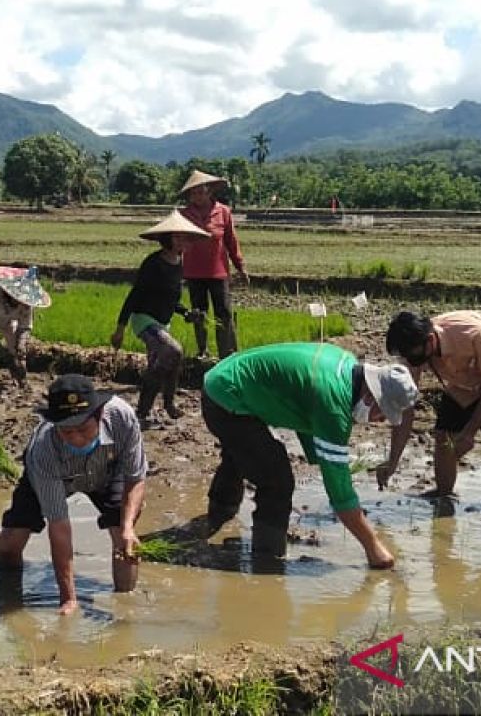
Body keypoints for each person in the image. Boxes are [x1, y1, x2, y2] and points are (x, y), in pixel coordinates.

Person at [202, 342, 417, 568]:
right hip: (224, 397)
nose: (380, 421)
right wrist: (373, 547)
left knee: (245, 453)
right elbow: (340, 493)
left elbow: (304, 402)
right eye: (382, 414)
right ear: (371, 397)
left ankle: (217, 517)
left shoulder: (345, 365)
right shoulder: (334, 404)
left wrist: (321, 457)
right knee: (277, 480)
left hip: (226, 377)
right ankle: (267, 561)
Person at [0, 374, 147, 615]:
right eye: (66, 431)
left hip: (107, 469)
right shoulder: (44, 447)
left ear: (99, 416)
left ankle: (125, 602)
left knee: (123, 537)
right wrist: (68, 599)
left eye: (83, 429)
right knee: (11, 541)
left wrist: (128, 526)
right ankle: (8, 602)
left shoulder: (122, 418)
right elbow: (59, 526)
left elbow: (135, 477)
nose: (76, 438)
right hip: (54, 473)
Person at [378, 310, 481, 511]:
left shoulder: (475, 333)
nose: (410, 361)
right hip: (463, 380)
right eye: (405, 356)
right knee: (444, 436)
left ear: (430, 340)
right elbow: (406, 407)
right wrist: (393, 461)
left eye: (412, 355)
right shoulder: (414, 352)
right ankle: (444, 495)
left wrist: (470, 432)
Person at [111, 210, 209, 425]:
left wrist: (186, 313)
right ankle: (157, 405)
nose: (183, 241)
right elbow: (135, 295)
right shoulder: (153, 264)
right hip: (144, 319)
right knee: (173, 351)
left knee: (169, 361)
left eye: (185, 237)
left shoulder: (178, 263)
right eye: (178, 237)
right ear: (167, 239)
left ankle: (157, 407)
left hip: (162, 323)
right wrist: (120, 327)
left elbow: (171, 299)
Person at [178, 169, 248, 360]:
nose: (197, 196)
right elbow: (175, 241)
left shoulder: (223, 212)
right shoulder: (184, 214)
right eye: (193, 193)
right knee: (199, 313)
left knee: (224, 313)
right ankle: (203, 351)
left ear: (209, 192)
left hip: (218, 272)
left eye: (200, 192)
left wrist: (240, 266)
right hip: (193, 272)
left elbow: (231, 241)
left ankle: (227, 353)